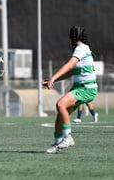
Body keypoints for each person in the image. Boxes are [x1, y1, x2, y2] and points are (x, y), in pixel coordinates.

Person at [42, 26, 98, 154]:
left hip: (87, 88)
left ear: (71, 37)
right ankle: (57, 143)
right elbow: (71, 72)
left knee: (60, 104)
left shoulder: (81, 48)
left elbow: (69, 65)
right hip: (80, 87)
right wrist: (53, 80)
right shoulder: (82, 49)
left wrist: (53, 78)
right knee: (60, 115)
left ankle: (68, 137)